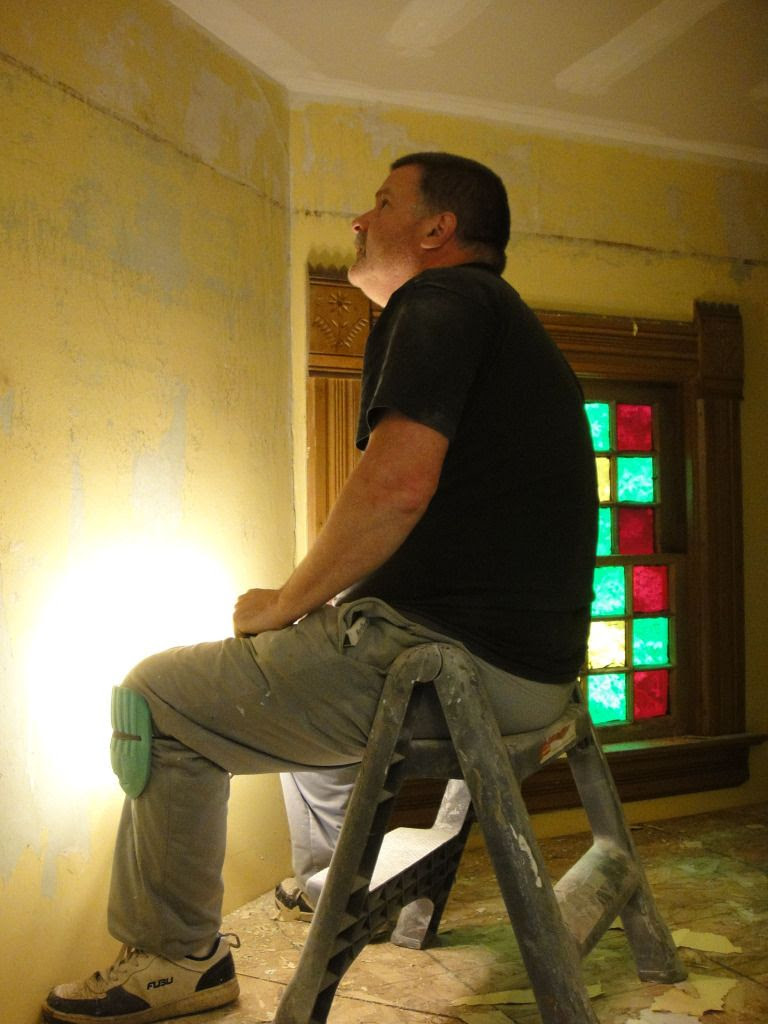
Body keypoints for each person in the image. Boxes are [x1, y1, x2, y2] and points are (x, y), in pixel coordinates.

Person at [42, 152, 597, 1024]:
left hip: (460, 669)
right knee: (308, 657)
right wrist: (308, 614)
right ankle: (332, 884)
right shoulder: (506, 324)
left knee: (158, 699)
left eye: (381, 203)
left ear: (437, 229)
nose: (359, 221)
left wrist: (283, 604)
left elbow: (396, 485)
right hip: (537, 678)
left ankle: (176, 959)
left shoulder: (438, 302)